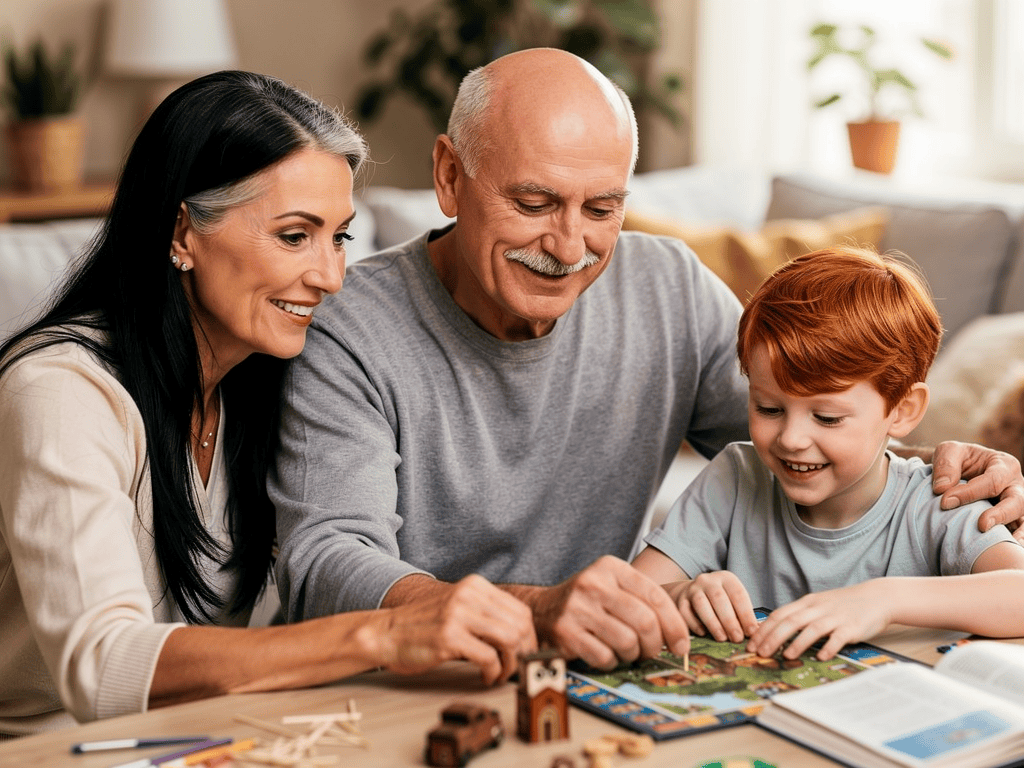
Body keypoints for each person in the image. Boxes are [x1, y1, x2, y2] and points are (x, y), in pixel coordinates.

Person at [271, 48, 1024, 672]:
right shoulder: (350, 324)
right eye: (534, 204)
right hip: (406, 683)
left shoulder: (668, 285)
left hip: (596, 676)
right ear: (449, 178)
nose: (569, 249)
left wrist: (938, 467)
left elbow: (799, 423)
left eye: (602, 209)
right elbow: (327, 559)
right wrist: (535, 610)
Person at [0, 71, 535, 737]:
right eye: (293, 235)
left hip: (203, 739)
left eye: (339, 236)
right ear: (182, 231)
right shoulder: (61, 390)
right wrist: (381, 635)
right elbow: (104, 666)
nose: (332, 277)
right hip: (50, 748)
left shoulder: (262, 377)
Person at [632, 247, 1024, 662]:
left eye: (826, 417)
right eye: (769, 408)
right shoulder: (734, 477)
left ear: (902, 410)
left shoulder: (939, 502)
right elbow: (631, 595)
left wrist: (884, 600)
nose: (792, 439)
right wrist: (680, 595)